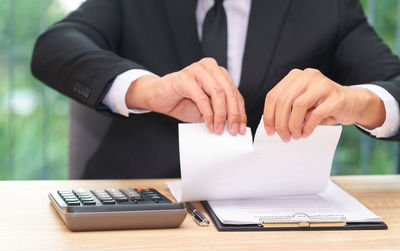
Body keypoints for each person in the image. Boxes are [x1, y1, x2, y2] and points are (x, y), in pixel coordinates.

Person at [31, 0, 400, 179]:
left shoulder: (324, 7)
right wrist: (148, 89)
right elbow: (55, 46)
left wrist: (361, 101)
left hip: (271, 217)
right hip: (144, 197)